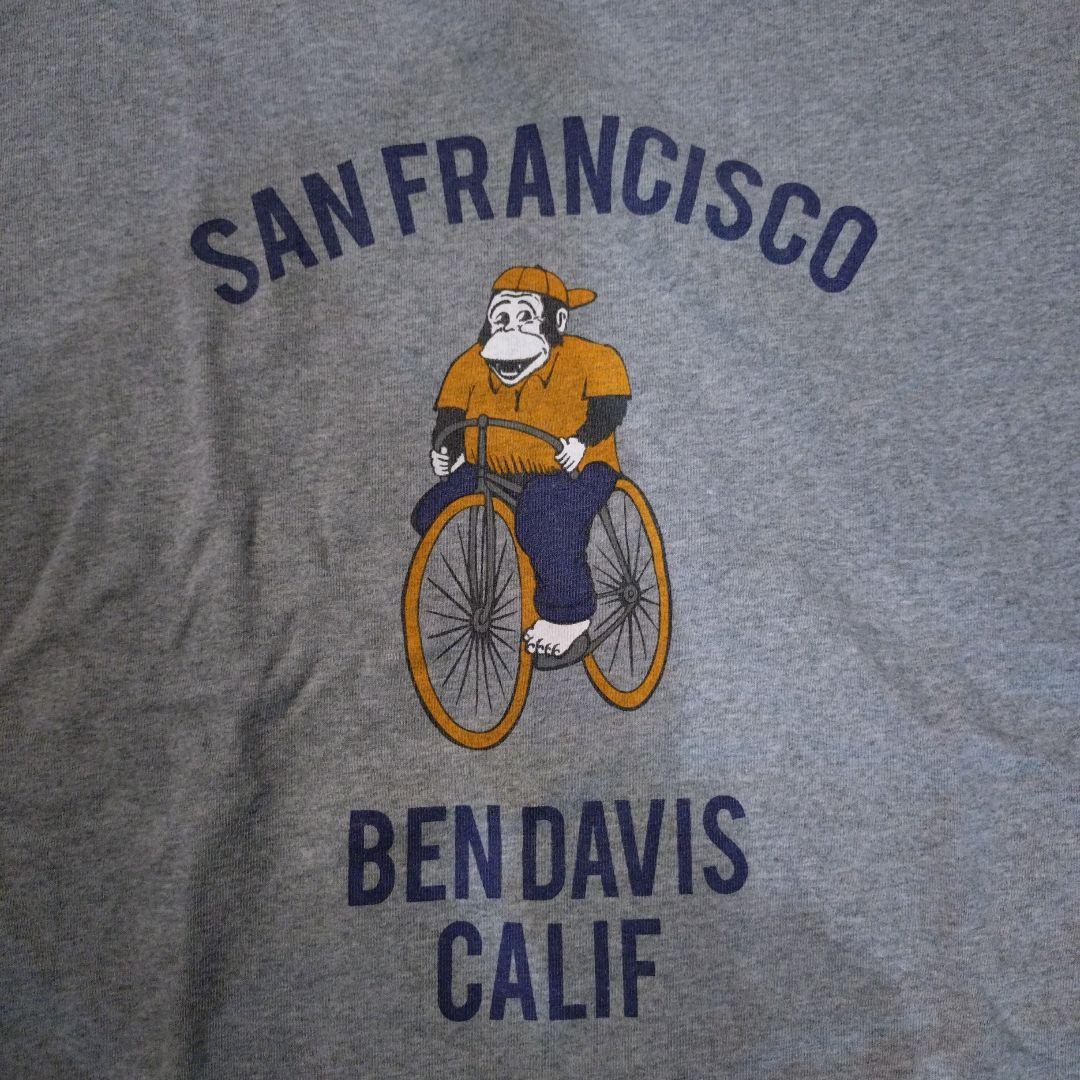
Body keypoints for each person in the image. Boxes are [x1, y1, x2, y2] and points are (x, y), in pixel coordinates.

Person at [411, 266, 632, 660]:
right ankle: (504, 577)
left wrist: (582, 441)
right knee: (429, 513)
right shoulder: (470, 364)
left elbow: (610, 407)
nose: (510, 329)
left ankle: (569, 617)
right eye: (501, 318)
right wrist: (446, 452)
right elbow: (450, 417)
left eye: (525, 317)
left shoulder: (593, 358)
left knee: (545, 518)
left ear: (557, 321)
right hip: (493, 468)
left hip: (572, 467)